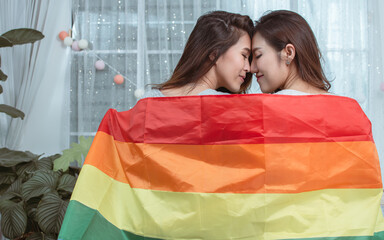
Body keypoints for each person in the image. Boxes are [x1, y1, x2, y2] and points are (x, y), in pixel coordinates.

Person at [143, 10, 254, 98]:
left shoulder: (151, 98)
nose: (248, 68)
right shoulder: (231, 107)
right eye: (244, 55)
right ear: (214, 54)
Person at [251, 10, 332, 95]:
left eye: (258, 55)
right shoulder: (343, 104)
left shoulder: (268, 106)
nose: (252, 69)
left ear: (288, 53)